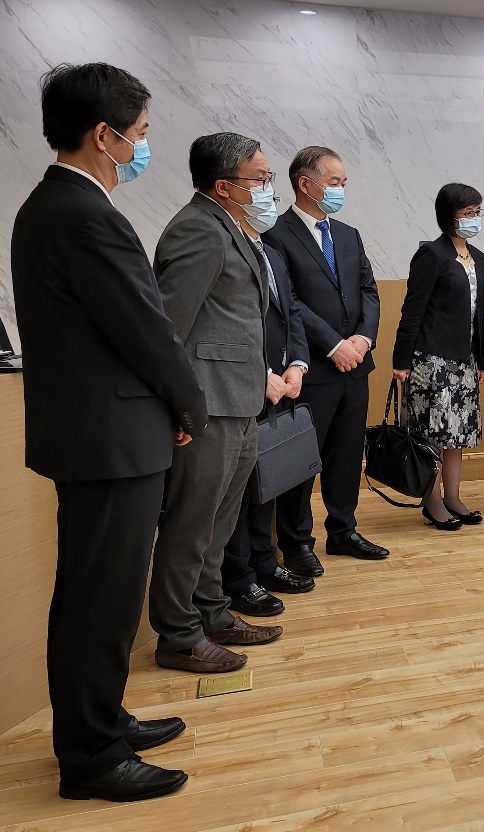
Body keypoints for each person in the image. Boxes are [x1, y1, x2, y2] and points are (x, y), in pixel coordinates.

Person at [11, 62, 203, 802]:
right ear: (104, 135)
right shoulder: (85, 213)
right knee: (99, 599)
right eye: (141, 135)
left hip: (103, 433)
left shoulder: (53, 206)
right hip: (110, 439)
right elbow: (148, 333)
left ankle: (103, 718)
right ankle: (91, 756)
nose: (142, 147)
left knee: (104, 595)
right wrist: (189, 407)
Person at [150, 133, 284, 674]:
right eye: (259, 179)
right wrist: (179, 407)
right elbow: (168, 329)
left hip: (242, 399)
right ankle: (177, 635)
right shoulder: (197, 230)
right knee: (190, 522)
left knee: (219, 522)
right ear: (224, 186)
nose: (267, 188)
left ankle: (211, 612)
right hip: (206, 404)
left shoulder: (234, 228)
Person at [263, 147, 386, 567]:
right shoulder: (276, 234)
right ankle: (296, 542)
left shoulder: (348, 234)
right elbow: (289, 301)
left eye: (343, 184)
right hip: (311, 367)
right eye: (334, 183)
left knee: (348, 452)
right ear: (306, 184)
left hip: (357, 363)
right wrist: (334, 345)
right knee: (301, 458)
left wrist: (363, 339)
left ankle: (343, 529)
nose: (340, 190)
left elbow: (369, 290)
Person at [220, 203, 316, 617]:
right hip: (241, 386)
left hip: (281, 383)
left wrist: (297, 363)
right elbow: (220, 326)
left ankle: (265, 562)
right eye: (258, 183)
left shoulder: (271, 251)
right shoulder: (225, 247)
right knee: (238, 492)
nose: (267, 198)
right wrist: (260, 375)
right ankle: (237, 577)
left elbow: (291, 311)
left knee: (267, 482)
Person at [391, 183, 484, 530]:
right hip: (430, 360)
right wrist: (401, 360)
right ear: (449, 216)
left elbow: (479, 316)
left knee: (456, 435)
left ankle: (453, 497)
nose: (474, 219)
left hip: (465, 361)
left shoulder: (479, 258)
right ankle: (432, 503)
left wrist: (481, 360)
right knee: (430, 436)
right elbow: (412, 311)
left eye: (478, 212)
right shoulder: (431, 255)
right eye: (467, 213)